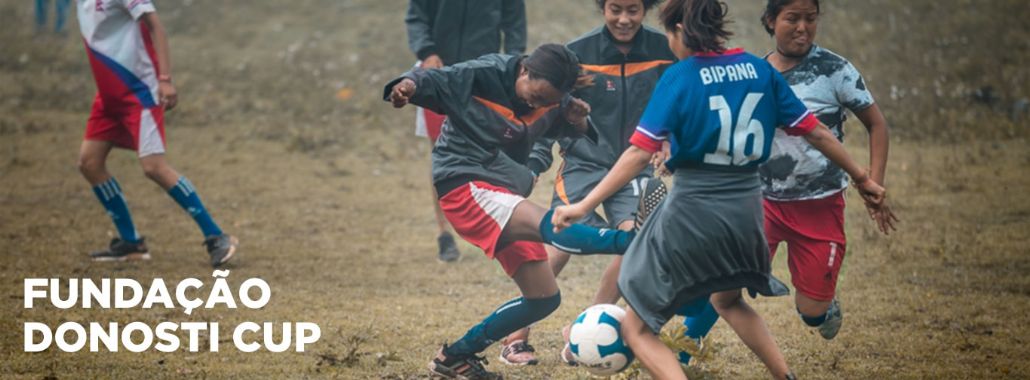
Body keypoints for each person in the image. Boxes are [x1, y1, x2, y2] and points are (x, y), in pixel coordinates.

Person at [551, 0, 893, 378]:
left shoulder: (681, 77)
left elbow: (637, 153)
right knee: (727, 301)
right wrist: (863, 178)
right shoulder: (760, 70)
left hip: (694, 209)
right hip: (748, 210)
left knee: (635, 327)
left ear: (679, 31)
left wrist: (585, 205)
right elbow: (816, 131)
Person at [385, 44, 641, 380]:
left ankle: (455, 357)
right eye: (535, 96)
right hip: (464, 182)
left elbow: (566, 126)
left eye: (547, 101)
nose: (537, 105)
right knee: (552, 225)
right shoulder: (485, 74)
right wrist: (404, 87)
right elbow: (432, 79)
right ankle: (632, 241)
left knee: (543, 298)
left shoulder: (553, 98)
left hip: (503, 188)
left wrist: (578, 121)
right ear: (523, 71)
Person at [674, 0, 898, 361]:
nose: (802, 28)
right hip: (761, 202)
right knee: (723, 286)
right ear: (770, 21)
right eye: (792, 19)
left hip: (820, 206)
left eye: (810, 19)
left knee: (812, 312)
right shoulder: (757, 74)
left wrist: (873, 182)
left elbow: (877, 124)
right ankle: (679, 354)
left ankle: (821, 308)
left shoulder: (834, 70)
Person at [504, 0, 676, 366]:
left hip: (635, 167)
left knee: (636, 240)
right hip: (583, 164)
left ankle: (583, 333)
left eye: (633, 10)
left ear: (646, 8)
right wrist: (534, 165)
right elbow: (547, 111)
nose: (624, 19)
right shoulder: (578, 56)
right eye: (615, 9)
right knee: (562, 237)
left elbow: (678, 107)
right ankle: (515, 338)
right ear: (602, 7)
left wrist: (672, 142)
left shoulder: (665, 52)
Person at [75, 0, 237, 267]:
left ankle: (217, 236)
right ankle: (131, 243)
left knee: (154, 167)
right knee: (89, 163)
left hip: (140, 91)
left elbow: (156, 27)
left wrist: (165, 80)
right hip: (108, 97)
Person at [405, 0, 527, 263]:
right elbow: (416, 17)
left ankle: (496, 225)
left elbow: (515, 23)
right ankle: (444, 235)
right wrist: (426, 53)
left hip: (484, 75)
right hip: (439, 73)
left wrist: (514, 65)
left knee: (493, 149)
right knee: (440, 151)